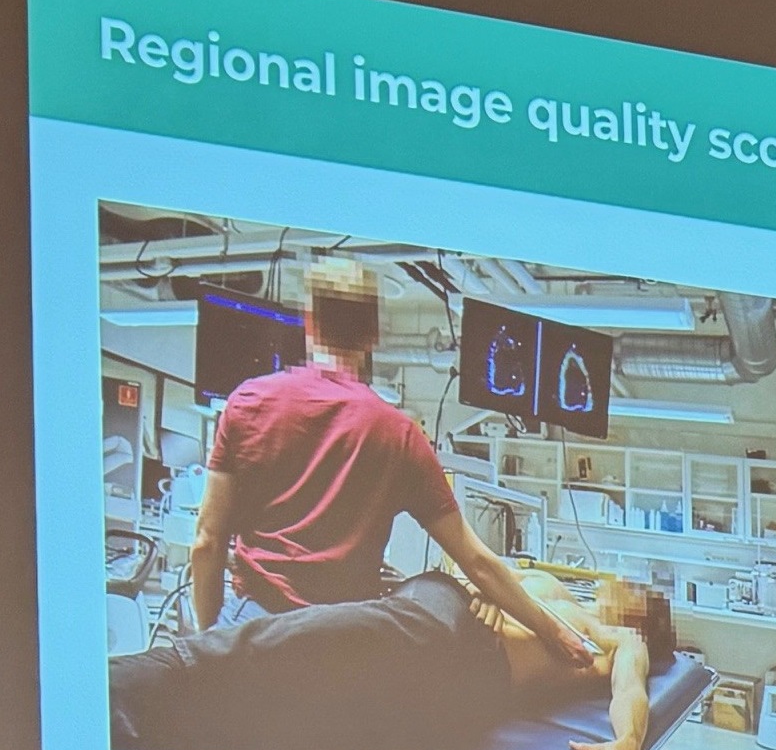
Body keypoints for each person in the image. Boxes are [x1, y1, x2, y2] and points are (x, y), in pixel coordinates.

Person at [188, 255, 588, 672]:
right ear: (374, 334)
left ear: (310, 322)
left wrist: (208, 640)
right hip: (339, 644)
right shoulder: (399, 435)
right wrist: (554, 631)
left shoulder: (248, 401)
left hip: (253, 629)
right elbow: (479, 563)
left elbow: (206, 542)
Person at [110, 566, 655, 750]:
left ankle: (112, 697)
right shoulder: (554, 589)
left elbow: (630, 684)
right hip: (436, 610)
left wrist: (628, 741)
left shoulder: (614, 637)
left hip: (449, 645)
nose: (621, 583)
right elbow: (471, 567)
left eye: (633, 590)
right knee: (282, 670)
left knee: (268, 656)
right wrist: (490, 590)